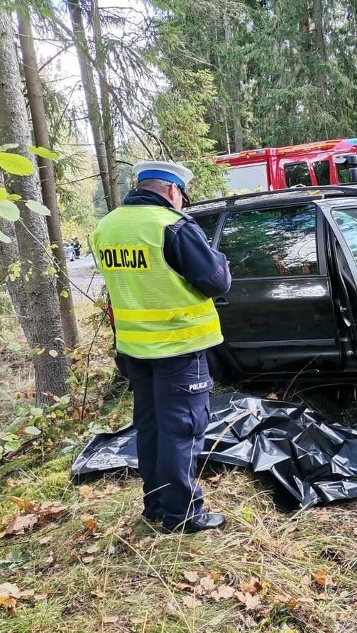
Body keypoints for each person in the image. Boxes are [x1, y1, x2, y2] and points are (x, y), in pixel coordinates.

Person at [89, 161, 231, 533]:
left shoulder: (106, 227)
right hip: (178, 347)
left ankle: (155, 504)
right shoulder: (172, 226)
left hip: (135, 349)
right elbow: (217, 282)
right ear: (172, 191)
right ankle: (182, 514)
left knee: (150, 428)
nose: (181, 202)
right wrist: (220, 258)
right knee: (182, 429)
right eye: (181, 195)